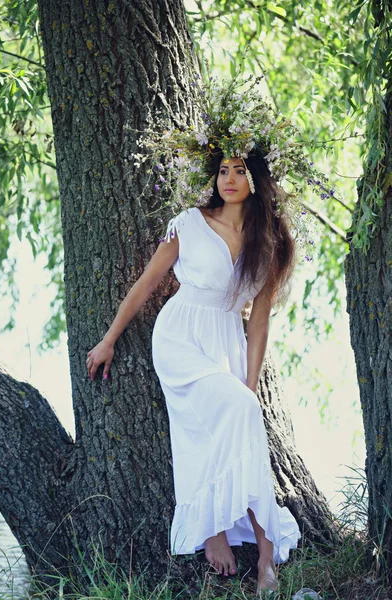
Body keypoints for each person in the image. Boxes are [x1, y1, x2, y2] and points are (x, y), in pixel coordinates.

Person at [86, 150, 302, 595]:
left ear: (257, 180)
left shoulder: (271, 244)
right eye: (223, 170)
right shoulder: (189, 222)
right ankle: (212, 529)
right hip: (180, 336)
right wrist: (109, 339)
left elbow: (259, 321)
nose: (229, 179)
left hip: (225, 341)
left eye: (239, 171)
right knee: (199, 431)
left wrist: (250, 381)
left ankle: (265, 557)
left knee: (241, 416)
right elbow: (147, 282)